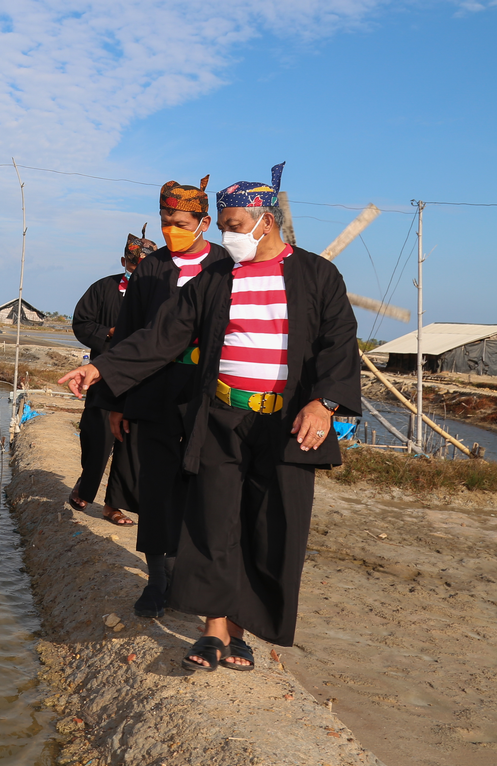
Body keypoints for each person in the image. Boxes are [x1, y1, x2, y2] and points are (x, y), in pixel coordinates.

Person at [59, 163, 361, 672]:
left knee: (268, 528)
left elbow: (339, 344)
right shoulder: (216, 279)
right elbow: (163, 335)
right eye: (222, 225)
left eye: (236, 225)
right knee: (213, 523)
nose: (227, 235)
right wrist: (103, 372)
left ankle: (241, 633)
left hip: (284, 424)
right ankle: (212, 630)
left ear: (266, 220)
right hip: (221, 418)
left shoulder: (316, 275)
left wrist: (323, 403)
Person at [91, 177, 228, 619]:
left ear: (204, 222)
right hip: (152, 395)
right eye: (167, 221)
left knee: (203, 493)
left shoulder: (226, 267)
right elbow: (128, 338)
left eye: (181, 222)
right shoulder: (150, 269)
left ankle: (192, 581)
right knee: (156, 490)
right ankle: (157, 581)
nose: (172, 229)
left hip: (207, 397)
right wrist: (116, 403)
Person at [68, 229, 156, 525]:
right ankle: (86, 483)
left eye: (145, 267)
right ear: (123, 261)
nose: (138, 272)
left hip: (144, 378)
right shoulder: (103, 289)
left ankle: (113, 504)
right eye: (133, 266)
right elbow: (81, 322)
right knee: (98, 434)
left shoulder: (161, 294)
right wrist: (108, 332)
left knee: (131, 443)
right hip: (103, 375)